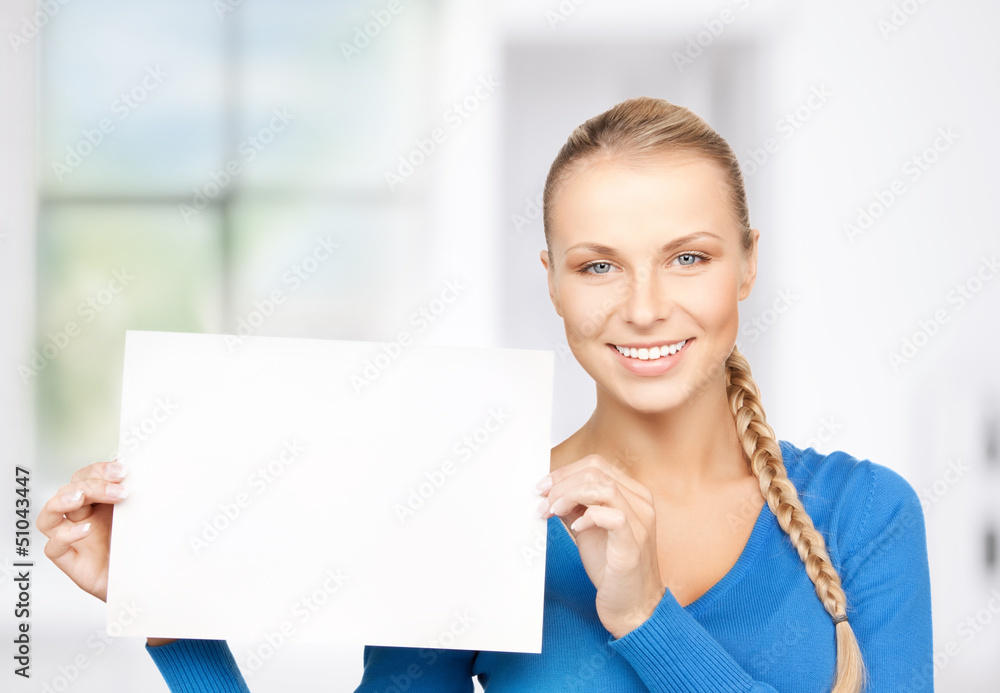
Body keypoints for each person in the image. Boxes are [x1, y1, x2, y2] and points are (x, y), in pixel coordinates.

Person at [38, 96, 933, 692]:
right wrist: (167, 610)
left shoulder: (867, 515)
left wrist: (642, 614)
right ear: (552, 280)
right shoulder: (463, 512)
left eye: (689, 256)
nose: (647, 304)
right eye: (598, 265)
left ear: (746, 264)